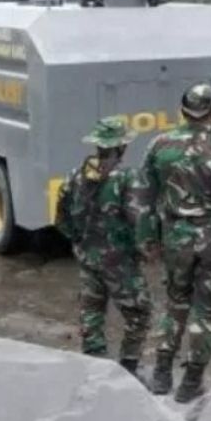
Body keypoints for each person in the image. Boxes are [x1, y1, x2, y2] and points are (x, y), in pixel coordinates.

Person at [139, 83, 211, 403]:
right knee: (206, 310)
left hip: (175, 237)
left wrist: (148, 239)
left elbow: (144, 198)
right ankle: (191, 382)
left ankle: (161, 374)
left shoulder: (159, 146)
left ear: (182, 111)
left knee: (175, 304)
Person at [55, 117, 151, 379]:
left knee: (92, 313)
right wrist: (144, 251)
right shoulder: (128, 178)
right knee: (139, 313)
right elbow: (140, 221)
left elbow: (61, 218)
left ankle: (93, 368)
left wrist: (79, 243)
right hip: (120, 263)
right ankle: (128, 369)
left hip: (88, 259)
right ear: (121, 147)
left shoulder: (75, 175)